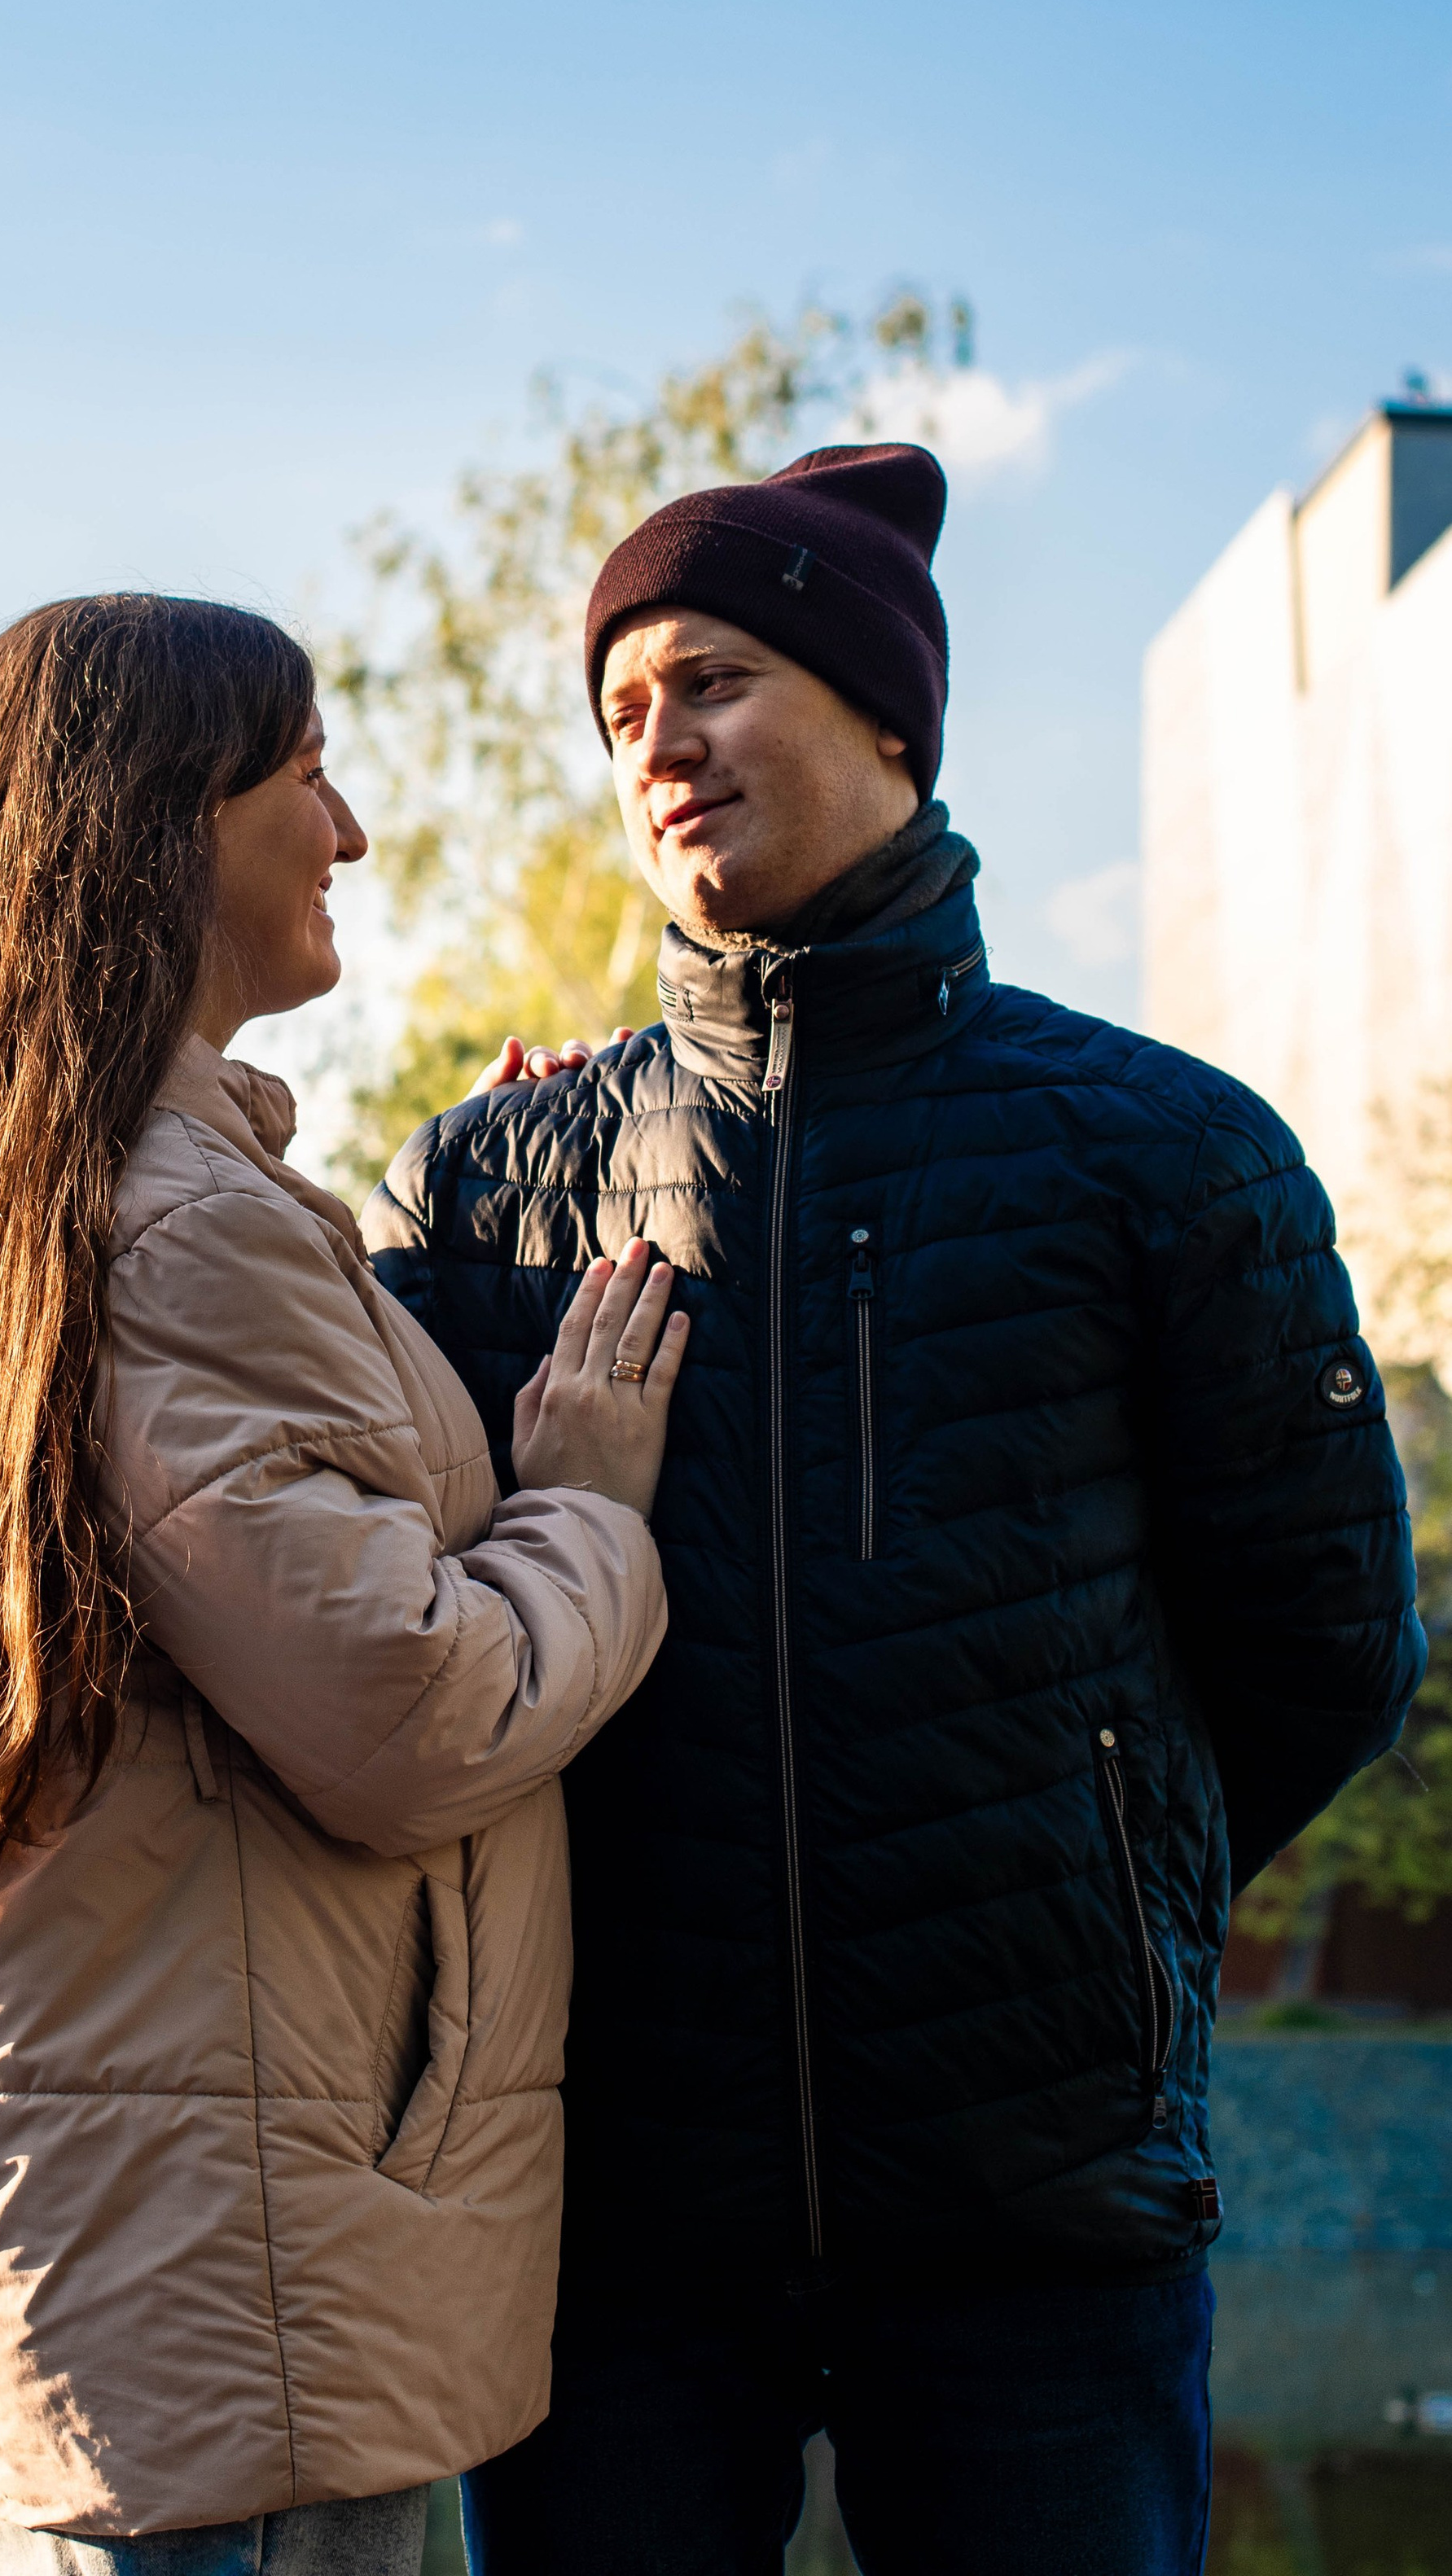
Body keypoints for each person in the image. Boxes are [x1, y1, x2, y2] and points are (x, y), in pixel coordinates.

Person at [363, 445, 1428, 2576]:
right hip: (612, 2210)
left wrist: (1098, 1901)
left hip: (1039, 2214)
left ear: (888, 722)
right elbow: (385, 1630)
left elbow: (1323, 1647)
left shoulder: (1165, 1156)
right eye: (623, 710)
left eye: (714, 680)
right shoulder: (489, 1185)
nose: (658, 746)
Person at [0, 594, 684, 2576]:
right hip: (247, 2306)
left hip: (153, 2282)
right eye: (307, 773)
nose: (348, 832)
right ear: (166, 822)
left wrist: (479, 1204)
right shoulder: (171, 1229)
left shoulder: (2, 1204)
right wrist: (590, 1505)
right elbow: (412, 1715)